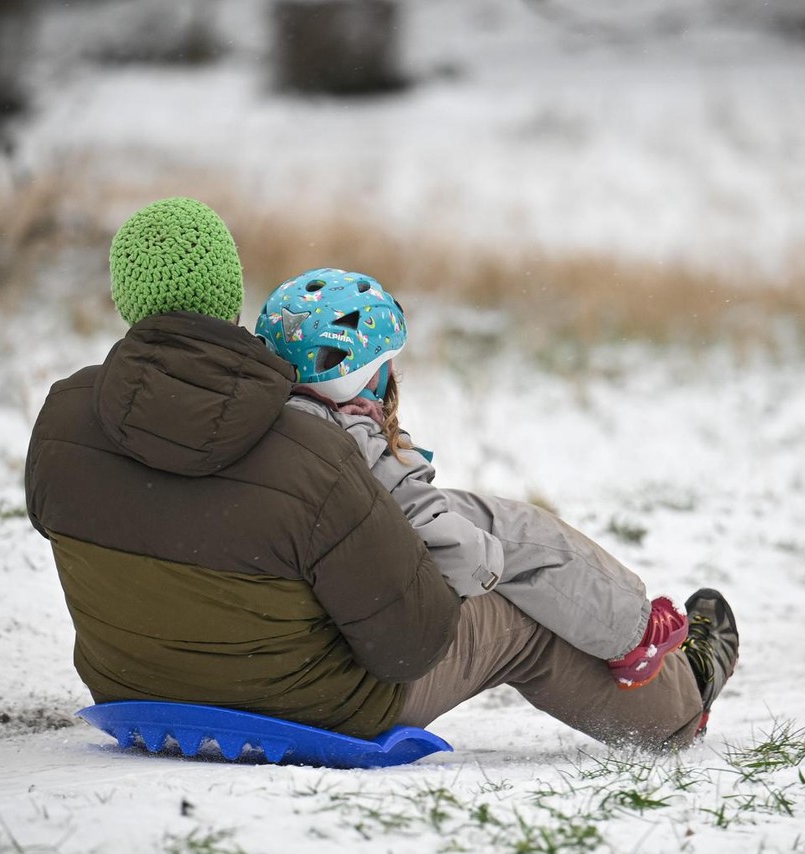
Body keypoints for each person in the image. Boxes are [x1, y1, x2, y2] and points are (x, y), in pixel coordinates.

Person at [24, 197, 739, 752]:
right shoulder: (306, 452)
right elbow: (409, 643)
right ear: (230, 290)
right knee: (520, 612)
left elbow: (179, 517)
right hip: (307, 704)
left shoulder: (61, 421)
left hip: (131, 683)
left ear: (124, 296)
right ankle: (677, 708)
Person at [256, 266, 689, 692]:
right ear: (360, 375)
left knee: (478, 517)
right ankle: (634, 635)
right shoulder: (356, 442)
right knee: (516, 535)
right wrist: (488, 562)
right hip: (359, 651)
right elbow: (456, 553)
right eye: (384, 364)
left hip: (283, 629)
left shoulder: (261, 423)